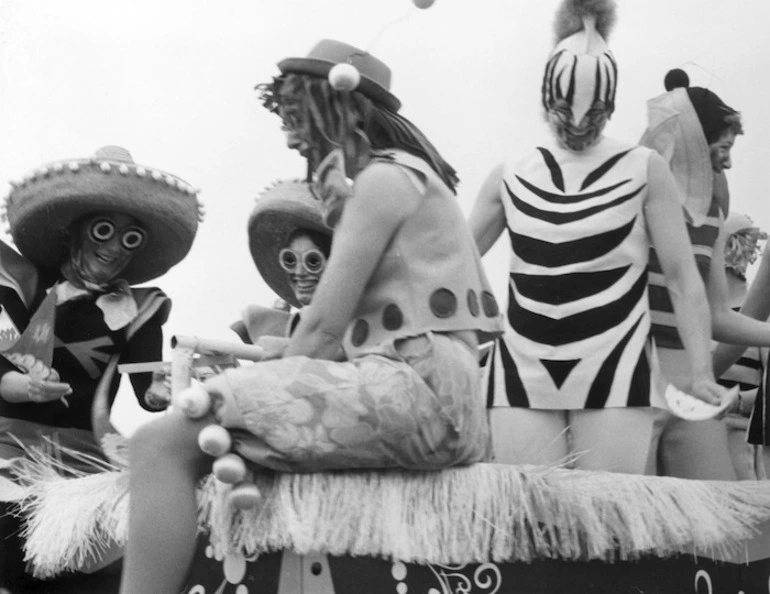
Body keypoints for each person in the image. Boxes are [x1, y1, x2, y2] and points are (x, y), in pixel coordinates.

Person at [119, 39, 504, 594]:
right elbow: (348, 333)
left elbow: (323, 326)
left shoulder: (382, 181)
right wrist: (280, 360)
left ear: (338, 111)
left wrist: (263, 379)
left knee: (158, 444)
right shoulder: (406, 178)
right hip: (440, 394)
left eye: (297, 115)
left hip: (417, 391)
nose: (289, 133)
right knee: (230, 428)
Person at [469, 0, 730, 474]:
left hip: (616, 365)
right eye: (564, 109)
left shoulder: (643, 168)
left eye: (594, 113)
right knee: (531, 516)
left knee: (607, 521)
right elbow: (455, 267)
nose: (577, 125)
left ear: (611, 106)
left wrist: (699, 370)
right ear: (546, 98)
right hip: (520, 367)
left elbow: (682, 278)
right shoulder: (509, 175)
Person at [0, 145, 200, 592]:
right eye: (104, 230)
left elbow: (147, 388)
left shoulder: (139, 309)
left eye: (131, 238)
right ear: (73, 233)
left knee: (81, 574)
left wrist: (171, 388)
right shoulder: (22, 284)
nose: (114, 249)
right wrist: (20, 385)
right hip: (7, 453)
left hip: (80, 467)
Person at [641, 70, 770, 479]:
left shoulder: (716, 198)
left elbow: (715, 315)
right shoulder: (632, 182)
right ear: (692, 142)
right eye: (722, 147)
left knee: (713, 527)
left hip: (686, 377)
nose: (729, 160)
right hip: (629, 375)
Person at [230, 178, 333, 347]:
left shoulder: (354, 323)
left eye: (313, 261)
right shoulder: (289, 324)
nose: (299, 272)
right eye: (290, 260)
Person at [713, 213, 770, 479]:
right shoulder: (700, 312)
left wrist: (735, 401)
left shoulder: (757, 320)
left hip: (739, 438)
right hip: (697, 429)